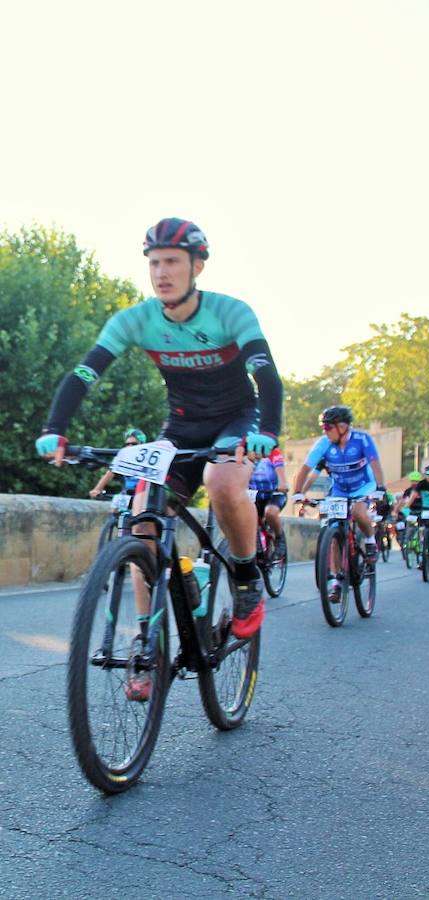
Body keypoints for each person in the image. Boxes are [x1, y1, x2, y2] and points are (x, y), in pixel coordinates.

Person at [36, 217, 283, 700]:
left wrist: (268, 433)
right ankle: (146, 641)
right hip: (182, 426)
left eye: (172, 261)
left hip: (238, 419)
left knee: (223, 483)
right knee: (142, 520)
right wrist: (55, 431)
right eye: (153, 263)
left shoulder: (230, 313)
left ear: (197, 266)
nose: (161, 272)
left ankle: (248, 576)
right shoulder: (136, 320)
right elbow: (83, 374)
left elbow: (267, 378)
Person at [292, 406, 386, 572]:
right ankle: (336, 579)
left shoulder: (362, 439)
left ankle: (371, 541)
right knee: (334, 532)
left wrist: (380, 487)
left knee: (358, 512)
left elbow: (375, 464)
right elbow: (305, 469)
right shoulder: (324, 443)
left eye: (328, 427)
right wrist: (298, 492)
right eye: (323, 428)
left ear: (342, 427)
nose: (325, 431)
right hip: (340, 489)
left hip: (363, 486)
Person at [249, 447, 289, 555]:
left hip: (273, 494)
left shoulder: (273, 453)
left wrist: (283, 483)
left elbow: (280, 473)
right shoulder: (245, 453)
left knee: (270, 512)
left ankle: (279, 538)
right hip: (254, 495)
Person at [88, 427, 146, 498]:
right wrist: (97, 489)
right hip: (127, 494)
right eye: (127, 444)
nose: (130, 446)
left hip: (144, 494)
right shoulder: (123, 456)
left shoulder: (147, 458)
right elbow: (110, 473)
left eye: (134, 444)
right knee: (114, 507)